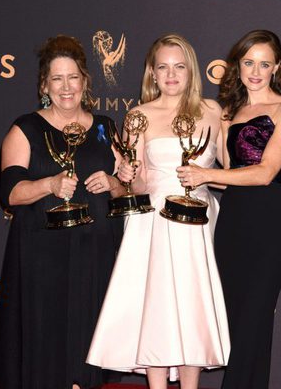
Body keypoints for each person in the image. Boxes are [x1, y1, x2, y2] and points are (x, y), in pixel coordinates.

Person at [86, 33, 230, 389]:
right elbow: (138, 185)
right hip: (152, 220)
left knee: (191, 307)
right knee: (156, 306)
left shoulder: (213, 111)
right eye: (163, 67)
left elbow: (228, 177)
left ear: (191, 71)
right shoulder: (138, 116)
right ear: (152, 73)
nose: (171, 74)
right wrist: (126, 174)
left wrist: (205, 176)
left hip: (197, 221)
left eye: (179, 66)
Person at [0, 35, 125, 389]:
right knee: (47, 346)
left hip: (96, 253)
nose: (66, 87)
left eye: (73, 77)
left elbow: (126, 191)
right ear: (44, 84)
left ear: (85, 82)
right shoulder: (25, 129)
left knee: (87, 344)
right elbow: (11, 195)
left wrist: (113, 182)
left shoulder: (105, 127)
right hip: (43, 257)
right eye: (57, 78)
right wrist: (49, 185)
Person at [177, 30, 281, 389]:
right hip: (234, 220)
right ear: (238, 65)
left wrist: (205, 173)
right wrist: (191, 176)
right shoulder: (230, 112)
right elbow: (228, 177)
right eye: (249, 62)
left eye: (264, 63)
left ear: (278, 67)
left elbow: (264, 173)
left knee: (255, 319)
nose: (256, 71)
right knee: (235, 321)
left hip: (272, 221)